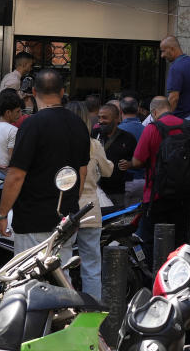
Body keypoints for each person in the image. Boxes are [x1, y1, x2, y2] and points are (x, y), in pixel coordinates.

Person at [0, 69, 90, 267]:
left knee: (31, 281)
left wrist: (2, 214)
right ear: (62, 92)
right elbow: (82, 172)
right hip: (66, 217)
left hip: (33, 217)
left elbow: (16, 175)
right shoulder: (78, 124)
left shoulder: (32, 125)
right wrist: (71, 201)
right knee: (61, 276)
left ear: (34, 93)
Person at [123, 97, 190, 257]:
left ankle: (155, 277)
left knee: (152, 241)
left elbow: (138, 161)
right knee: (180, 241)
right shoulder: (188, 127)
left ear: (154, 112)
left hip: (156, 194)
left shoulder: (152, 129)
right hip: (184, 195)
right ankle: (178, 277)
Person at [78, 128, 113, 299]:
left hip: (64, 207)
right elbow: (107, 171)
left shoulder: (57, 142)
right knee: (91, 264)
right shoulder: (94, 145)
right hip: (90, 207)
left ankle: (65, 306)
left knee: (61, 263)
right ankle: (91, 310)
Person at [95, 104, 136, 207]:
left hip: (117, 192)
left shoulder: (128, 138)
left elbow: (139, 161)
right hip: (95, 190)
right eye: (99, 117)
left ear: (117, 118)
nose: (100, 121)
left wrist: (130, 164)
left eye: (105, 118)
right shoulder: (94, 134)